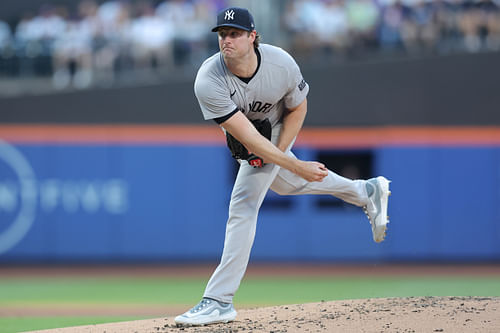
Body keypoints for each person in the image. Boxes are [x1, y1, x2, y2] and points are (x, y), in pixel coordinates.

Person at [174, 7, 391, 326]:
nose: (227, 40)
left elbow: (298, 106)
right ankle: (365, 191)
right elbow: (248, 137)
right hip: (252, 136)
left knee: (244, 204)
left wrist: (286, 155)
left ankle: (219, 300)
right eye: (222, 34)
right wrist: (292, 166)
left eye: (235, 33)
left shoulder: (280, 62)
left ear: (252, 36)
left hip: (278, 126)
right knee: (286, 183)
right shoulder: (209, 79)